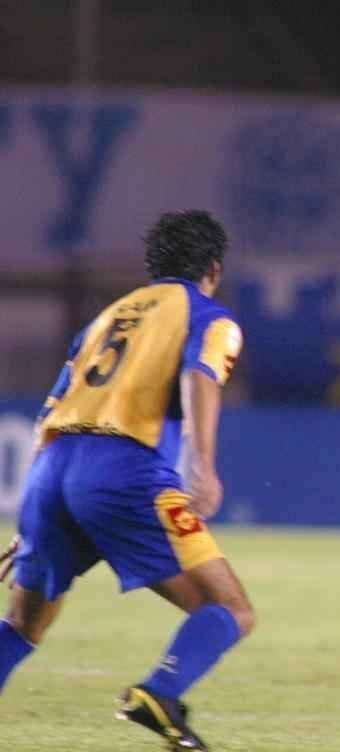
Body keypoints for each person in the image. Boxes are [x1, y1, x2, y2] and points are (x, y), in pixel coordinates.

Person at [0, 211, 254, 751]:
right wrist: (203, 464)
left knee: (23, 624)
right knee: (230, 608)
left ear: (154, 266)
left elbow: (52, 410)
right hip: (125, 472)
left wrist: (34, 521)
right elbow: (200, 376)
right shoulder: (210, 316)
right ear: (214, 268)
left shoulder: (106, 318)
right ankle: (160, 691)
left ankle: (162, 695)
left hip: (52, 469)